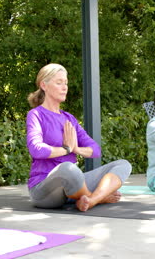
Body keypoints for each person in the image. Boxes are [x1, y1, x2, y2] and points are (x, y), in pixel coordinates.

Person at [26, 63, 132, 212]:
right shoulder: (36, 115)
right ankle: (98, 198)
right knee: (67, 169)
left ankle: (91, 200)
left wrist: (75, 149)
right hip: (45, 191)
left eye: (66, 83)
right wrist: (66, 149)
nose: (65, 87)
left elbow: (95, 150)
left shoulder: (69, 118)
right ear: (44, 85)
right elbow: (36, 150)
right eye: (59, 82)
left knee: (123, 164)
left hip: (72, 187)